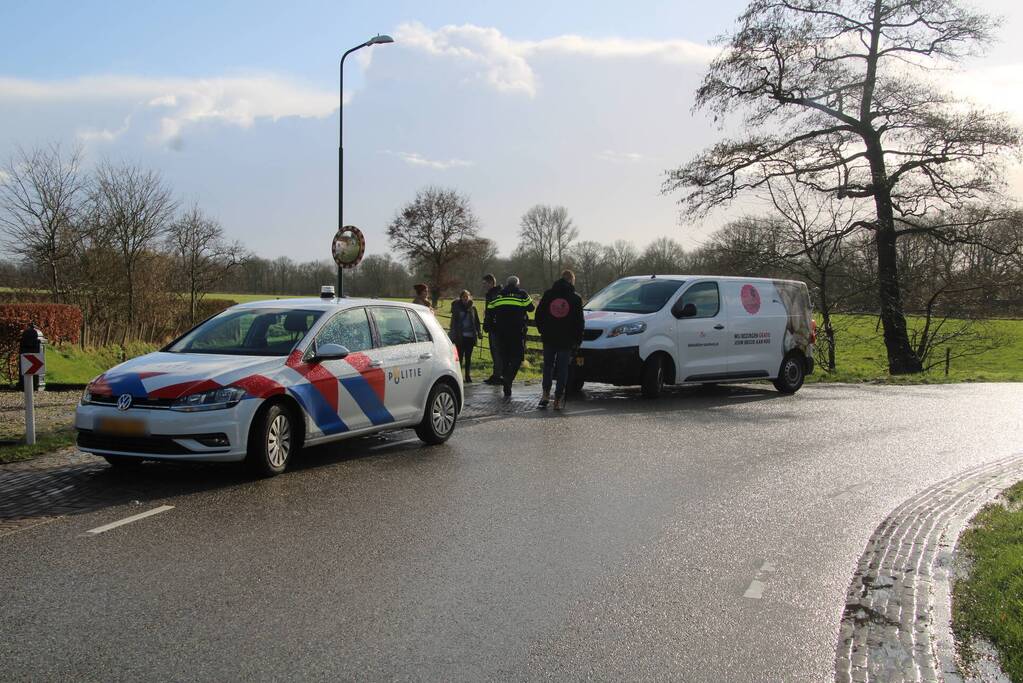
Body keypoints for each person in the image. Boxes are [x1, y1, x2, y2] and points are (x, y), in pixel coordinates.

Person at [535, 269, 585, 410]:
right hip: (566, 340)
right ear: (571, 281)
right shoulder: (576, 298)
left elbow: (538, 315)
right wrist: (577, 341)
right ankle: (557, 399)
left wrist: (542, 330)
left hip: (549, 337)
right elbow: (579, 322)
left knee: (548, 366)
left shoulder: (548, 294)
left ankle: (545, 394)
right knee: (563, 369)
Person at [486, 275, 535, 398]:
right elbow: (531, 307)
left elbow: (490, 310)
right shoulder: (522, 294)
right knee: (518, 357)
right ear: (517, 284)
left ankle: (506, 379)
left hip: (501, 332)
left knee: (505, 357)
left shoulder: (499, 295)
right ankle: (508, 379)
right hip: (517, 332)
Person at [449, 290, 482, 383]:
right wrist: (453, 334)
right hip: (460, 336)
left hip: (470, 336)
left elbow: (477, 322)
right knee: (460, 356)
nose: (465, 298)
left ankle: (467, 375)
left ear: (469, 297)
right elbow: (453, 323)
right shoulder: (456, 308)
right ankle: (459, 376)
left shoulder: (473, 308)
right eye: (463, 296)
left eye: (467, 296)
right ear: (461, 297)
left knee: (468, 357)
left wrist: (479, 332)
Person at [481, 273, 503, 385]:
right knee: (494, 351)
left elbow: (493, 311)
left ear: (491, 283)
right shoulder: (492, 293)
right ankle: (497, 374)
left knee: (496, 351)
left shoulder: (495, 294)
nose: (484, 286)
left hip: (496, 327)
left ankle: (497, 375)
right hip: (493, 326)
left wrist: (488, 322)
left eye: (485, 283)